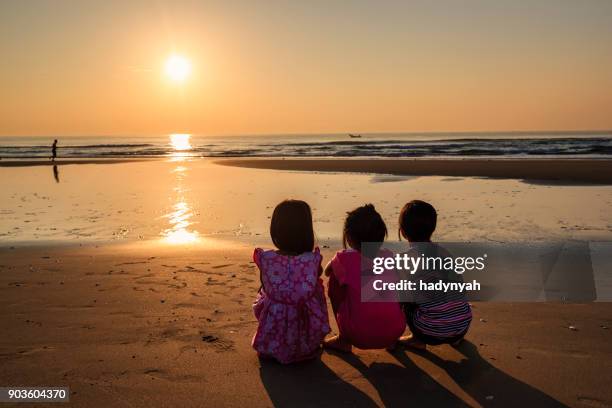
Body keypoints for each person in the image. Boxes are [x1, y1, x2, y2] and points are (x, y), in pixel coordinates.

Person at [252, 199, 330, 364]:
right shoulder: (311, 261)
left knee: (266, 294)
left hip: (273, 325)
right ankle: (305, 343)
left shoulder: (267, 259)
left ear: (276, 231)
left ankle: (273, 342)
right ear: (307, 232)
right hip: (303, 335)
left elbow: (266, 287)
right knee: (316, 287)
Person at [323, 204, 405, 353]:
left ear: (348, 236)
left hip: (357, 335)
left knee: (335, 279)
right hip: (395, 330)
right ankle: (391, 340)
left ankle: (343, 339)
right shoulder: (390, 256)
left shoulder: (344, 258)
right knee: (394, 282)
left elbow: (327, 271)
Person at [398, 200, 472, 350]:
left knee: (405, 302)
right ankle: (455, 338)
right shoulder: (445, 253)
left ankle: (417, 340)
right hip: (463, 324)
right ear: (432, 228)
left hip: (431, 332)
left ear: (403, 232)